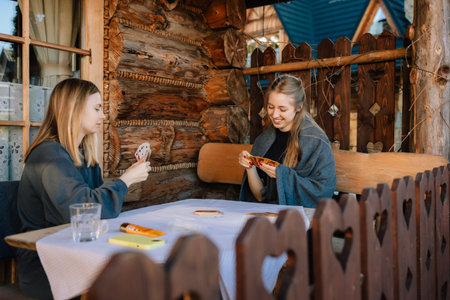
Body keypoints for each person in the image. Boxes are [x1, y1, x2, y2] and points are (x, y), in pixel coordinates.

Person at [16, 78, 150, 300]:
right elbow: (82, 211)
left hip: (80, 254)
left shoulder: (84, 156)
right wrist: (125, 181)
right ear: (74, 109)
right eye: (97, 108)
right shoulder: (48, 155)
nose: (103, 116)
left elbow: (98, 216)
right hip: (48, 267)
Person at [238, 74, 336, 207]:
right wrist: (250, 168)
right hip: (268, 213)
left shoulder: (315, 141)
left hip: (303, 216)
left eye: (282, 109)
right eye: (271, 107)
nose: (274, 114)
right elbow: (261, 197)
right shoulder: (264, 141)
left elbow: (322, 192)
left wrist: (282, 175)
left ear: (299, 107)